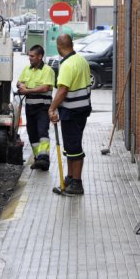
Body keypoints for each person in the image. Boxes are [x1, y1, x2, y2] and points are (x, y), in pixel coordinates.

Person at [49, 34, 92, 196]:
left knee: (74, 147)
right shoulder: (81, 60)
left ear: (59, 47)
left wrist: (52, 108)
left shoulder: (67, 65)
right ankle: (70, 178)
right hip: (82, 109)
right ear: (71, 45)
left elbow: (62, 90)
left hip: (72, 111)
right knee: (69, 147)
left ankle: (77, 183)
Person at [17, 44, 55, 171]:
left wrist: (27, 90)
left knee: (42, 132)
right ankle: (38, 158)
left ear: (40, 57)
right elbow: (19, 81)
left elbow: (45, 87)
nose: (30, 58)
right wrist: (20, 85)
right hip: (30, 108)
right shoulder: (27, 69)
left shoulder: (47, 70)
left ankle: (44, 159)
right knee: (32, 134)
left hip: (43, 108)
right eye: (29, 56)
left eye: (32, 56)